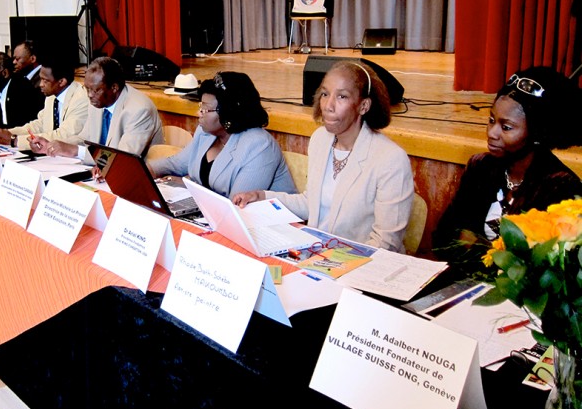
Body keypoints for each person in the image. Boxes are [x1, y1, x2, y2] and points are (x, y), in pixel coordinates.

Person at [233, 60, 414, 253]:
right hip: (317, 254)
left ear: (363, 106)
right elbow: (311, 204)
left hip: (360, 266)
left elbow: (386, 245)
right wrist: (262, 196)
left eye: (342, 96)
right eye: (325, 94)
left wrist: (332, 262)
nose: (328, 105)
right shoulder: (321, 139)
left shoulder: (390, 159)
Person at [433, 66, 582, 248]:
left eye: (506, 127)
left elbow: (543, 265)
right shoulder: (481, 167)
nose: (492, 133)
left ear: (537, 134)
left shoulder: (561, 186)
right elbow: (443, 238)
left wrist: (475, 244)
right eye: (491, 120)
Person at [147, 72, 296, 199]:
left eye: (205, 109)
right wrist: (148, 169)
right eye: (200, 107)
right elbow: (177, 163)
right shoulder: (205, 133)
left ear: (229, 113)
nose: (198, 113)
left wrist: (189, 185)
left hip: (264, 223)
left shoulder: (259, 146)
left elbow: (238, 203)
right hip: (214, 214)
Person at [29, 56, 163, 162]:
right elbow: (84, 139)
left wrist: (74, 150)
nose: (89, 95)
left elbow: (123, 158)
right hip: (102, 172)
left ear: (114, 88)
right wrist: (52, 145)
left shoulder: (139, 109)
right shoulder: (98, 102)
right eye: (87, 89)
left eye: (95, 90)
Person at [0, 57, 88, 149]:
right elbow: (39, 125)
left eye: (45, 81)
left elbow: (63, 135)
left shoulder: (81, 99)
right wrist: (8, 133)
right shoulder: (51, 96)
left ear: (61, 82)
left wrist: (16, 140)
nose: (41, 84)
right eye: (41, 79)